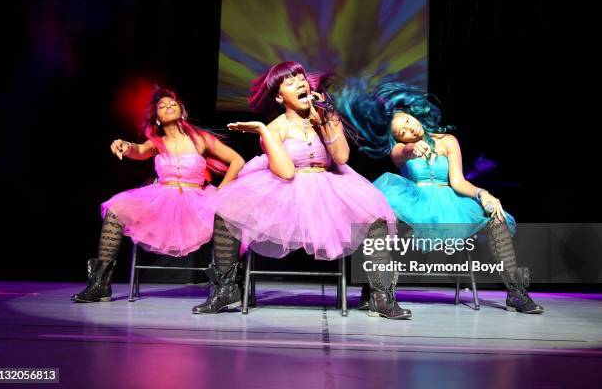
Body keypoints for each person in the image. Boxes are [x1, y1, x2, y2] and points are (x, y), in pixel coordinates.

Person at [192, 62, 412, 319]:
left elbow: (340, 158)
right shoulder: (275, 127)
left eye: (301, 78)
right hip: (287, 190)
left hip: (329, 185)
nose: (300, 83)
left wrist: (326, 120)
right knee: (226, 212)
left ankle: (379, 295)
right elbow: (285, 172)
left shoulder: (327, 116)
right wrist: (264, 130)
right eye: (290, 81)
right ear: (278, 96)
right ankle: (226, 288)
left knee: (375, 217)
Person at [335, 80, 543, 314]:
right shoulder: (400, 150)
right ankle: (378, 291)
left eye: (406, 121)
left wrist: (483, 194)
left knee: (496, 217)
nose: (408, 129)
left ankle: (516, 293)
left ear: (413, 115)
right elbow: (402, 153)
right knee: (378, 217)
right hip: (414, 202)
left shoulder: (448, 141)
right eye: (400, 132)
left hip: (451, 201)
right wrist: (411, 148)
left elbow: (458, 181)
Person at [72, 86, 244, 303]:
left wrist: (221, 190)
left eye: (173, 104)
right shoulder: (157, 143)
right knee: (115, 209)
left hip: (197, 201)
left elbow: (237, 160)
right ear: (158, 119)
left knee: (229, 213)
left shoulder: (201, 139)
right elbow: (138, 150)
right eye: (162, 106)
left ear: (182, 112)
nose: (168, 106)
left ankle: (227, 288)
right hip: (161, 201)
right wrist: (125, 145)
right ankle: (100, 285)